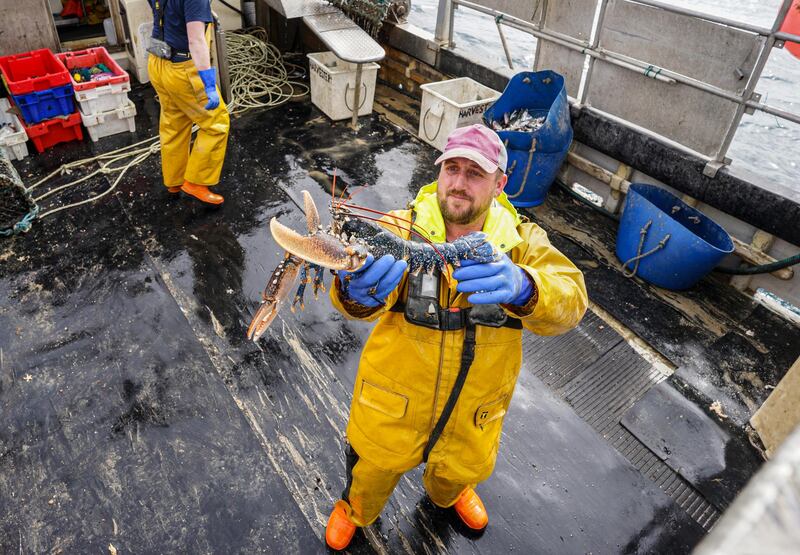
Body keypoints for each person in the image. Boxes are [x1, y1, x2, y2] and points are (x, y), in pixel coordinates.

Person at [324, 124, 589, 550]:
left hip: (472, 415)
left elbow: (572, 300)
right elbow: (358, 303)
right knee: (370, 471)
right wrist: (353, 289)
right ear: (439, 172)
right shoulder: (397, 227)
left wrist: (525, 286)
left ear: (500, 183)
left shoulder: (523, 244)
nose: (459, 183)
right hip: (392, 409)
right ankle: (354, 509)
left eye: (475, 173)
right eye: (452, 168)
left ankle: (449, 494)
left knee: (457, 470)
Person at [147, 0, 230, 205]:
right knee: (216, 124)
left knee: (173, 121)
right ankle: (196, 182)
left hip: (157, 62)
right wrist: (209, 84)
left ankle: (174, 180)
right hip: (184, 70)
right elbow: (196, 41)